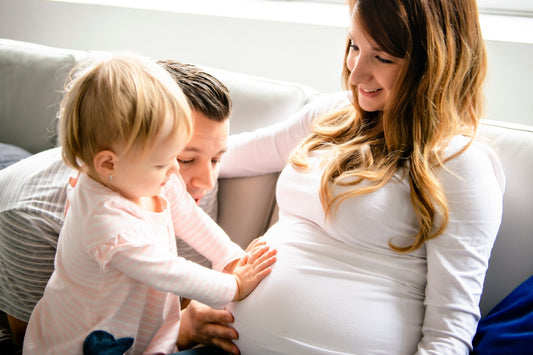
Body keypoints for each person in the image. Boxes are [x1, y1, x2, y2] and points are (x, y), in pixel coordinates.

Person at [224, 0, 505, 353]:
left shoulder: (460, 164)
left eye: (383, 58)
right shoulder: (333, 115)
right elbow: (219, 156)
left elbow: (449, 333)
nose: (356, 74)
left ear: (435, 64)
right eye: (355, 46)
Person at [20, 55, 276, 354]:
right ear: (108, 163)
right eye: (167, 162)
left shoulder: (142, 177)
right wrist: (233, 286)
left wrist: (232, 258)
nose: (173, 173)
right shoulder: (106, 223)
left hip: (144, 334)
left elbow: (192, 219)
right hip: (79, 345)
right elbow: (169, 271)